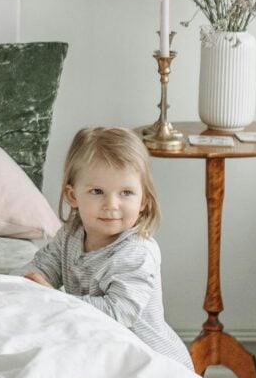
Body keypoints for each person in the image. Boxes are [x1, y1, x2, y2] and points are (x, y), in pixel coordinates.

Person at [23, 126, 190, 364]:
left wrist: (53, 300)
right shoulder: (71, 234)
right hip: (105, 351)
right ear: (72, 196)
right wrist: (29, 283)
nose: (111, 204)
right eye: (97, 191)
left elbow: (118, 312)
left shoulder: (137, 253)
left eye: (126, 193)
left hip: (151, 360)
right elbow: (40, 267)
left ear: (143, 200)